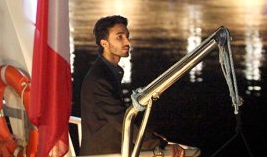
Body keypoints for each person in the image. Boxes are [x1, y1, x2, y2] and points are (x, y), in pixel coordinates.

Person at [79, 15, 187, 157]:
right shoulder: (100, 79)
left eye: (127, 36)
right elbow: (122, 121)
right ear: (104, 43)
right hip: (103, 153)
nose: (127, 42)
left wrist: (154, 138)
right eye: (120, 37)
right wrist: (160, 144)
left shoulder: (108, 71)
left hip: (111, 148)